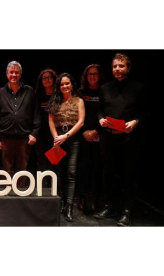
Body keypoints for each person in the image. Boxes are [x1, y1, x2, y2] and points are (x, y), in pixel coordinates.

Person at [94, 53, 146, 226]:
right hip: (108, 137)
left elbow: (146, 112)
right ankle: (108, 206)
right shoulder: (105, 88)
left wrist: (136, 122)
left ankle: (126, 211)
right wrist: (100, 119)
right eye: (115, 66)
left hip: (129, 138)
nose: (117, 69)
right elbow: (99, 110)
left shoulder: (138, 88)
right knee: (108, 173)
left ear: (128, 68)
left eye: (121, 66)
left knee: (128, 175)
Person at [0, 61, 40, 187]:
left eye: (16, 72)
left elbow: (36, 114)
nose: (14, 75)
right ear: (7, 74)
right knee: (6, 169)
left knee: (22, 170)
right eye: (11, 72)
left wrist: (34, 133)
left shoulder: (29, 91)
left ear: (21, 74)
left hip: (24, 138)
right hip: (5, 138)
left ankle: (20, 199)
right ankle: (9, 197)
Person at [46, 73, 85, 222]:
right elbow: (50, 120)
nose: (65, 86)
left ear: (72, 84)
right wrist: (56, 137)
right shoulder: (54, 100)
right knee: (59, 173)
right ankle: (61, 202)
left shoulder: (79, 101)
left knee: (71, 172)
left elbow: (81, 122)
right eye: (62, 84)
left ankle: (69, 206)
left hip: (72, 139)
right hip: (58, 139)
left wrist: (66, 136)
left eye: (67, 83)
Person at [77, 64, 104, 214]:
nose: (92, 77)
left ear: (99, 76)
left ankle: (94, 199)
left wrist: (96, 131)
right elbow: (76, 115)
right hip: (83, 135)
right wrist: (84, 132)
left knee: (97, 169)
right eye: (89, 74)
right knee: (83, 168)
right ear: (85, 77)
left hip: (100, 134)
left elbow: (107, 113)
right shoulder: (81, 92)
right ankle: (82, 198)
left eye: (95, 74)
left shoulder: (104, 91)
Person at [34, 69, 58, 187]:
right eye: (44, 78)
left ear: (54, 80)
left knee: (54, 162)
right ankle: (42, 189)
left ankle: (54, 190)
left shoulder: (59, 96)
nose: (47, 80)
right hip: (40, 135)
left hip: (55, 135)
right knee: (42, 163)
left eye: (49, 77)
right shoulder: (37, 96)